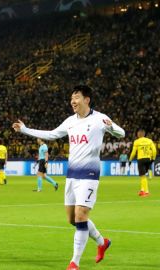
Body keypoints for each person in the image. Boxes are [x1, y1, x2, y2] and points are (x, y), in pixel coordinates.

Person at [12, 85, 125, 270]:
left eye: (76, 97)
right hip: (72, 175)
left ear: (86, 100)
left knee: (81, 216)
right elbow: (52, 134)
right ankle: (101, 241)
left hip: (89, 175)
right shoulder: (70, 121)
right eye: (72, 98)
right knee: (72, 219)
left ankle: (74, 262)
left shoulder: (99, 118)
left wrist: (112, 127)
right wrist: (25, 130)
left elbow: (122, 133)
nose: (73, 101)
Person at [129, 129, 157, 197]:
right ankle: (142, 190)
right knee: (143, 176)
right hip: (148, 159)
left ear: (138, 134)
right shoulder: (149, 141)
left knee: (142, 176)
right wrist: (153, 159)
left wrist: (130, 160)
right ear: (144, 134)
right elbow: (154, 150)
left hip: (141, 159)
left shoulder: (137, 141)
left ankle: (146, 192)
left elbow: (133, 152)